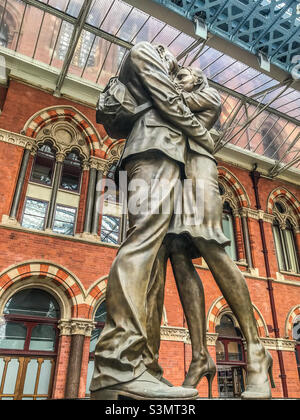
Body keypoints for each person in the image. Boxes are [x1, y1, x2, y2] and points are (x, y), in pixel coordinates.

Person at [90, 42, 215, 400]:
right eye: (173, 63)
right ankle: (118, 361)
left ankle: (144, 365)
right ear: (162, 50)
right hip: (151, 151)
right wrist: (205, 136)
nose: (176, 68)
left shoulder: (161, 67)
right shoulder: (144, 51)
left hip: (165, 155)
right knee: (141, 245)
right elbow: (169, 101)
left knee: (155, 265)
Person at [146, 66, 275, 400]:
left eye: (183, 74)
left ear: (198, 79)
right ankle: (201, 354)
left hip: (199, 169)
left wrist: (160, 91)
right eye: (173, 76)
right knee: (176, 253)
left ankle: (257, 350)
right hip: (173, 172)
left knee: (211, 243)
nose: (176, 77)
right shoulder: (177, 96)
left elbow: (172, 107)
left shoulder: (206, 95)